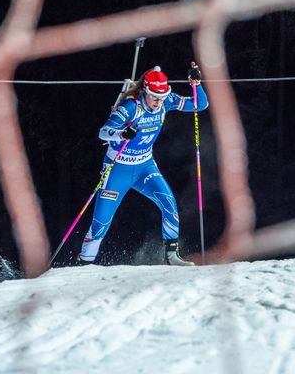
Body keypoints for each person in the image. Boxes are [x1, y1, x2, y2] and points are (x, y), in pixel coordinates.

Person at [78, 62, 208, 266]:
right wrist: (121, 134)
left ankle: (172, 256)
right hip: (117, 169)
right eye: (155, 97)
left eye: (162, 98)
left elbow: (200, 105)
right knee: (101, 221)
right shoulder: (130, 107)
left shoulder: (166, 101)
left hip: (144, 167)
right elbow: (103, 132)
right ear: (145, 91)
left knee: (169, 204)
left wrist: (196, 84)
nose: (158, 102)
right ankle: (84, 265)